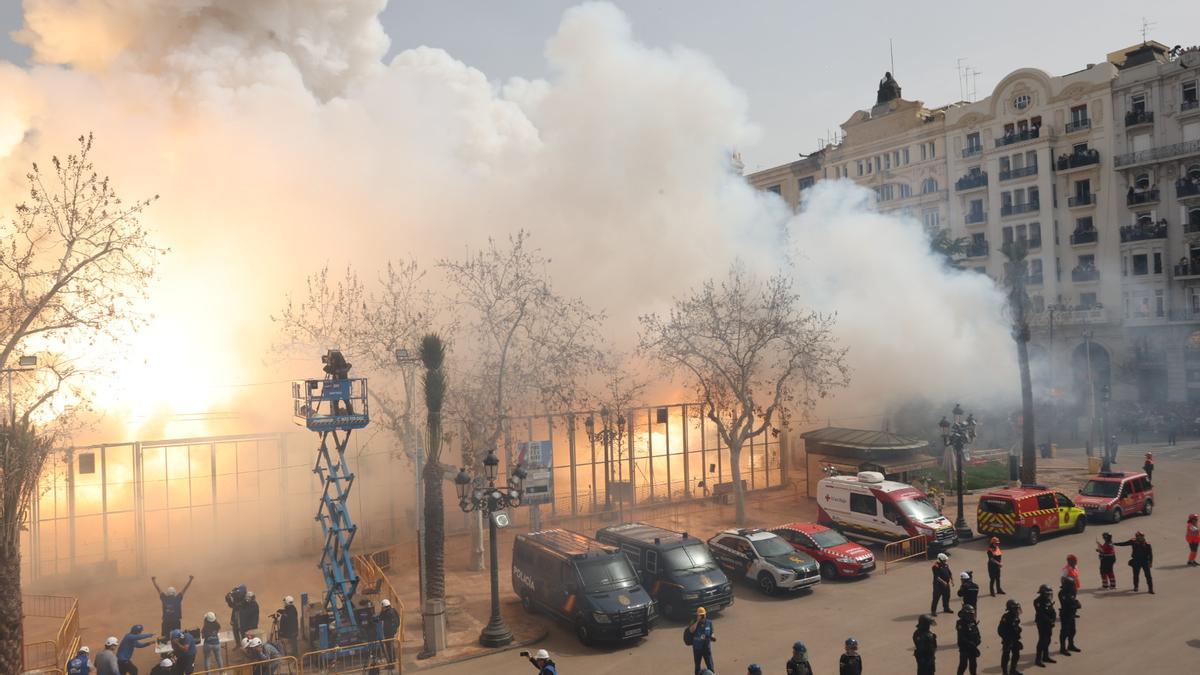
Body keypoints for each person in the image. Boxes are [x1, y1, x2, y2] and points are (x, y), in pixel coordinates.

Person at [1032, 584, 1056, 666]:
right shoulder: (1037, 601)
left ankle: (1046, 656)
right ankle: (1038, 659)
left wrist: (1053, 619)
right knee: (1042, 641)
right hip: (1042, 623)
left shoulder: (1048, 600)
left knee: (1048, 639)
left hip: (1049, 623)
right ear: (1042, 593)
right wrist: (1050, 621)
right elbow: (1041, 614)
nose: (1049, 595)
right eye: (1047, 593)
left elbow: (1052, 611)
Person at [1057, 578, 1082, 656]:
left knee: (1072, 631)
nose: (1073, 586)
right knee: (1064, 632)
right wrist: (1076, 605)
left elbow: (1074, 601)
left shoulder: (1072, 591)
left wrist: (1076, 604)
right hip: (1065, 614)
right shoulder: (1062, 593)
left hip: (1072, 614)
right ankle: (1062, 648)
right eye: (1072, 585)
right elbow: (1068, 604)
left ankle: (1071, 645)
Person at [688, 606, 716, 675]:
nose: (702, 616)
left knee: (710, 665)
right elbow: (691, 631)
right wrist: (697, 621)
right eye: (701, 615)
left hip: (706, 648)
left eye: (703, 615)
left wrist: (712, 637)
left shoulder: (709, 622)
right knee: (697, 667)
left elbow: (712, 632)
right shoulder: (694, 622)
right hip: (697, 648)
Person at [998, 599, 1023, 675]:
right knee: (1006, 657)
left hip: (1014, 639)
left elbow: (1015, 627)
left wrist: (1018, 632)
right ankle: (1005, 672)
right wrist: (1007, 640)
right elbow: (1000, 630)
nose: (1017, 610)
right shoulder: (1006, 617)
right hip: (1008, 640)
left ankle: (1013, 670)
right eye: (1015, 608)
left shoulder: (1016, 616)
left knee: (1016, 654)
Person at [955, 605, 981, 675]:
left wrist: (978, 639)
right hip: (965, 648)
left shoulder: (972, 621)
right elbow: (962, 637)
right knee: (963, 665)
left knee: (973, 665)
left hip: (972, 647)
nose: (972, 615)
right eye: (970, 614)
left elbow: (976, 631)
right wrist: (970, 644)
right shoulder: (960, 623)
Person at [375, 598, 400, 665]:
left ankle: (391, 663)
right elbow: (398, 619)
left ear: (385, 607)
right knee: (391, 646)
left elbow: (380, 618)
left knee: (389, 647)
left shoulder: (387, 613)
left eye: (382, 607)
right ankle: (393, 660)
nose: (382, 608)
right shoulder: (393, 610)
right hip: (392, 631)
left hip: (388, 632)